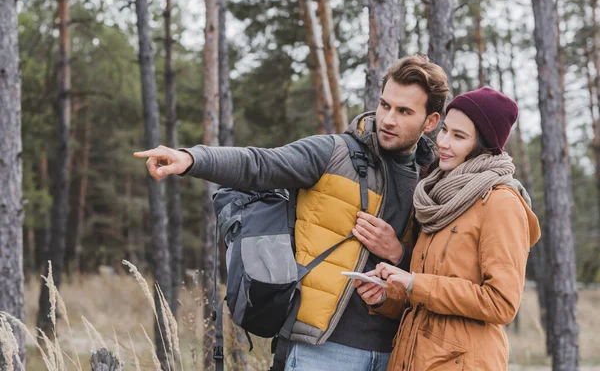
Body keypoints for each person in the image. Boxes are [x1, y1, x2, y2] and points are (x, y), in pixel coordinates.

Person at [134, 54, 449, 371]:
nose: (388, 119)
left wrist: (398, 253)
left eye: (404, 111)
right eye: (385, 105)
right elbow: (259, 164)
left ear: (431, 121)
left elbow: (442, 270)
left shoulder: (433, 180)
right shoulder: (333, 154)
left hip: (398, 353)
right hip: (322, 351)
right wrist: (192, 159)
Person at [355, 87, 541, 370]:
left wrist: (414, 283)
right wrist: (385, 296)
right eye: (445, 130)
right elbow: (424, 298)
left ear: (483, 145)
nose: (443, 142)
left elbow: (501, 303)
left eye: (459, 136)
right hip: (413, 358)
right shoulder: (437, 196)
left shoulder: (500, 203)